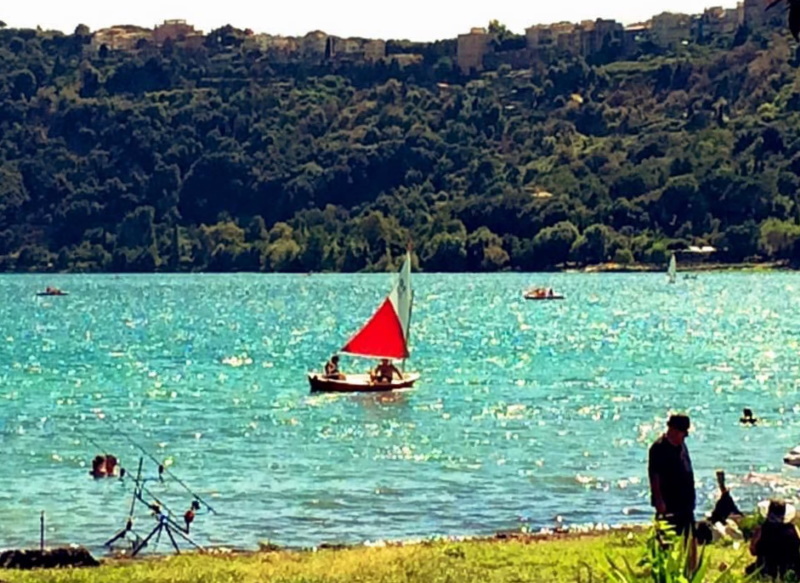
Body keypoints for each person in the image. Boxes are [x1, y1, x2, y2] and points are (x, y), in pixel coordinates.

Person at [648, 413, 695, 537]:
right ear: (673, 430)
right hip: (669, 502)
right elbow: (654, 476)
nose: (684, 436)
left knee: (688, 538)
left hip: (685, 502)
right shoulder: (658, 448)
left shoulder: (682, 446)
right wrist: (659, 500)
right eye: (682, 432)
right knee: (667, 537)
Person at [746, 499, 800, 579]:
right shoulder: (792, 529)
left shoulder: (762, 529)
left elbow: (753, 551)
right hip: (790, 569)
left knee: (749, 570)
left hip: (766, 569)